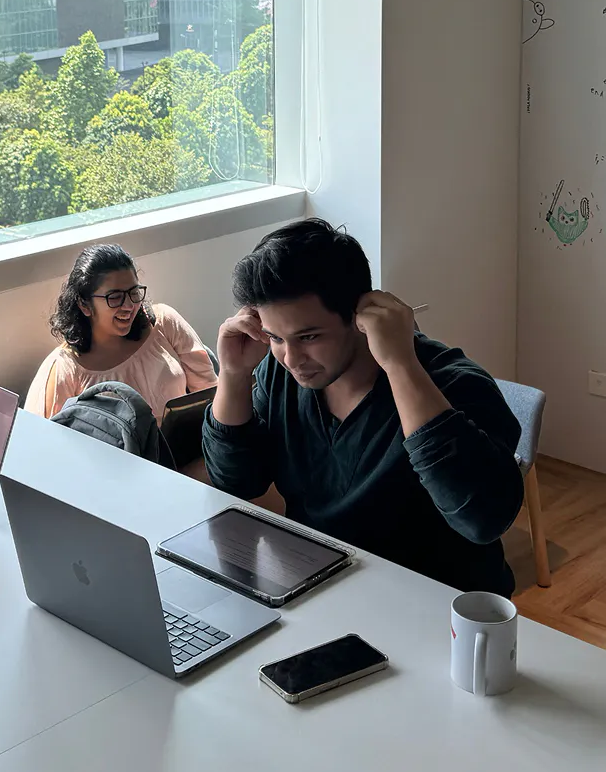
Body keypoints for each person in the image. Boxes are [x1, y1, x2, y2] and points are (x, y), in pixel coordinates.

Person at [201, 219, 523, 597]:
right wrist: (234, 375)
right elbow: (237, 481)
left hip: (437, 605)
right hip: (322, 586)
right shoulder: (280, 371)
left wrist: (401, 366)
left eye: (309, 337)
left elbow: (482, 519)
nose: (291, 358)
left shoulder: (456, 385)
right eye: (275, 337)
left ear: (360, 317)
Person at [25, 243, 217, 424]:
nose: (129, 306)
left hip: (189, 452)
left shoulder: (164, 322)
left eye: (134, 292)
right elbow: (43, 443)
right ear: (84, 305)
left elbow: (209, 392)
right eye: (115, 297)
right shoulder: (64, 369)